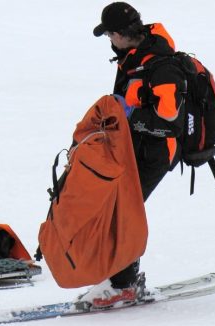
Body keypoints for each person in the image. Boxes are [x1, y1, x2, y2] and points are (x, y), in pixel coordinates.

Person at [79, 2, 187, 307]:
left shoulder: (161, 66)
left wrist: (129, 117)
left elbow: (171, 124)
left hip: (157, 152)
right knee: (119, 208)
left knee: (124, 211)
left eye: (110, 35)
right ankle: (123, 280)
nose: (110, 41)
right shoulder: (130, 58)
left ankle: (123, 286)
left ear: (121, 34)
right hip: (134, 148)